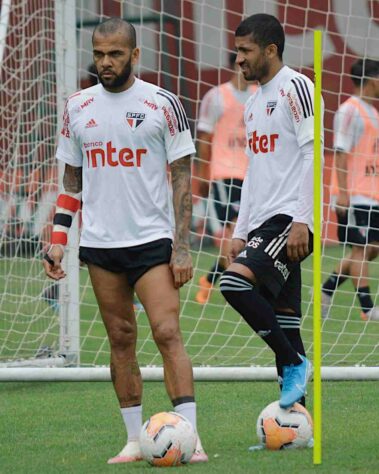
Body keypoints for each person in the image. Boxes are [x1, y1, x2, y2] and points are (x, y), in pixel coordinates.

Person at [43, 18, 207, 464]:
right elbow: (70, 184)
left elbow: (180, 180)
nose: (105, 62)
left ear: (135, 55)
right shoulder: (77, 107)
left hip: (152, 241)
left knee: (167, 332)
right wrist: (59, 239)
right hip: (100, 244)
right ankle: (136, 440)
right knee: (120, 338)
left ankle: (190, 438)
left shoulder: (162, 104)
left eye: (115, 54)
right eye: (98, 54)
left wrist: (183, 245)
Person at [220, 13, 322, 410]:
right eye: (237, 50)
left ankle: (294, 362)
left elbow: (313, 154)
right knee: (286, 321)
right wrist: (240, 231)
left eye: (245, 51)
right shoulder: (253, 102)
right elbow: (254, 170)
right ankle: (295, 424)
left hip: (288, 219)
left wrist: (303, 220)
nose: (239, 59)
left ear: (271, 49)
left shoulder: (296, 87)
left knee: (233, 284)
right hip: (263, 221)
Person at [195, 52, 257, 304]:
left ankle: (210, 279)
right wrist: (201, 174)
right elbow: (204, 138)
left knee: (248, 237)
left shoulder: (258, 94)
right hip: (224, 174)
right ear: (235, 64)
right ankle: (235, 285)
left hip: (252, 175)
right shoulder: (216, 97)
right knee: (235, 233)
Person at [322, 59, 379, 321]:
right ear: (372, 79)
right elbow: (341, 153)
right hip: (354, 194)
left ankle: (328, 287)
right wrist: (343, 193)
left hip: (371, 193)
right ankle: (367, 308)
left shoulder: (372, 112)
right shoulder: (349, 111)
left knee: (371, 248)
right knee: (360, 249)